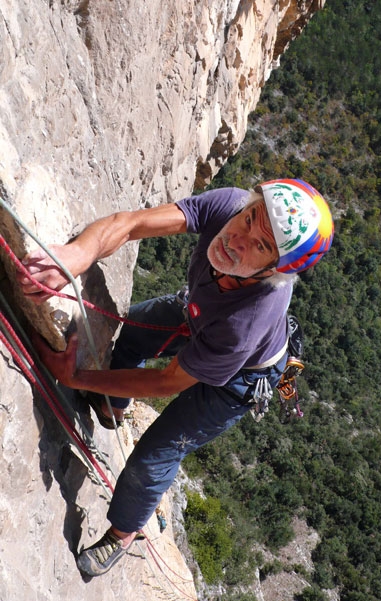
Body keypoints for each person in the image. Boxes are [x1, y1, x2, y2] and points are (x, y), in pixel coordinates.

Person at [18, 178, 334, 577]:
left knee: (153, 457)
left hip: (240, 378)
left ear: (274, 270)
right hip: (200, 314)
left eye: (261, 246)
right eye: (252, 218)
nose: (238, 239)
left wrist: (78, 378)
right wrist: (75, 255)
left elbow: (166, 383)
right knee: (131, 333)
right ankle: (113, 409)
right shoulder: (230, 207)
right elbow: (132, 224)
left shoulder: (244, 323)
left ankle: (123, 534)